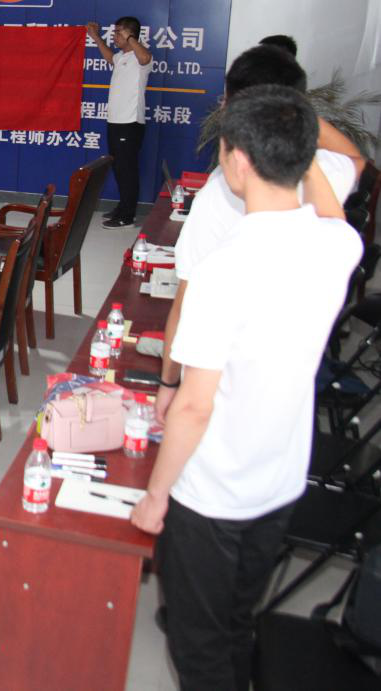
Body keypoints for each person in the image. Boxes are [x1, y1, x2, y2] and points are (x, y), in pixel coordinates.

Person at [130, 85, 361, 691]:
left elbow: (194, 406)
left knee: (199, 650)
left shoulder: (223, 271)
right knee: (237, 625)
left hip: (213, 495)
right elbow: (334, 203)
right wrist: (303, 147)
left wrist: (156, 495)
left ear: (237, 161)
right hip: (279, 482)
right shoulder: (338, 245)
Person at [155, 45, 362, 425]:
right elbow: (356, 161)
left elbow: (184, 308)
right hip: (289, 398)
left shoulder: (218, 199)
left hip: (217, 396)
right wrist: (296, 120)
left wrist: (168, 383)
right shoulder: (334, 212)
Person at [86, 17, 153, 229]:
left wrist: (131, 38)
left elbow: (145, 58)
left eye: (118, 32)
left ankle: (127, 216)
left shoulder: (141, 57)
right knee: (119, 167)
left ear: (129, 34)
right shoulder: (122, 56)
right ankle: (123, 207)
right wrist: (96, 37)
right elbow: (110, 57)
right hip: (115, 121)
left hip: (130, 122)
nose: (114, 36)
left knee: (127, 169)